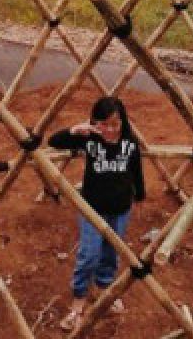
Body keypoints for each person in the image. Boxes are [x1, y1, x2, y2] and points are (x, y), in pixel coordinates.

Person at [48, 96, 145, 332]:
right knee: (88, 255)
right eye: (104, 124)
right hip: (92, 209)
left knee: (112, 253)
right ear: (94, 122)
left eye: (115, 124)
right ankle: (78, 301)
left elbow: (136, 171)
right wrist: (74, 130)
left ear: (123, 121)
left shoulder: (129, 144)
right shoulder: (89, 140)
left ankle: (104, 287)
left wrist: (140, 195)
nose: (110, 130)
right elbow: (54, 141)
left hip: (120, 209)